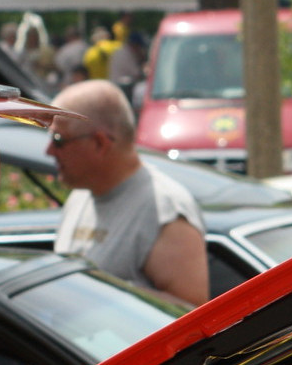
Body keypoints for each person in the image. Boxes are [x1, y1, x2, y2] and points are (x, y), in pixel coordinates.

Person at [49, 80, 208, 306]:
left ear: (99, 143)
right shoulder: (81, 197)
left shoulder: (165, 210)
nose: (49, 151)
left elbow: (190, 314)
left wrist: (109, 297)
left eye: (58, 140)